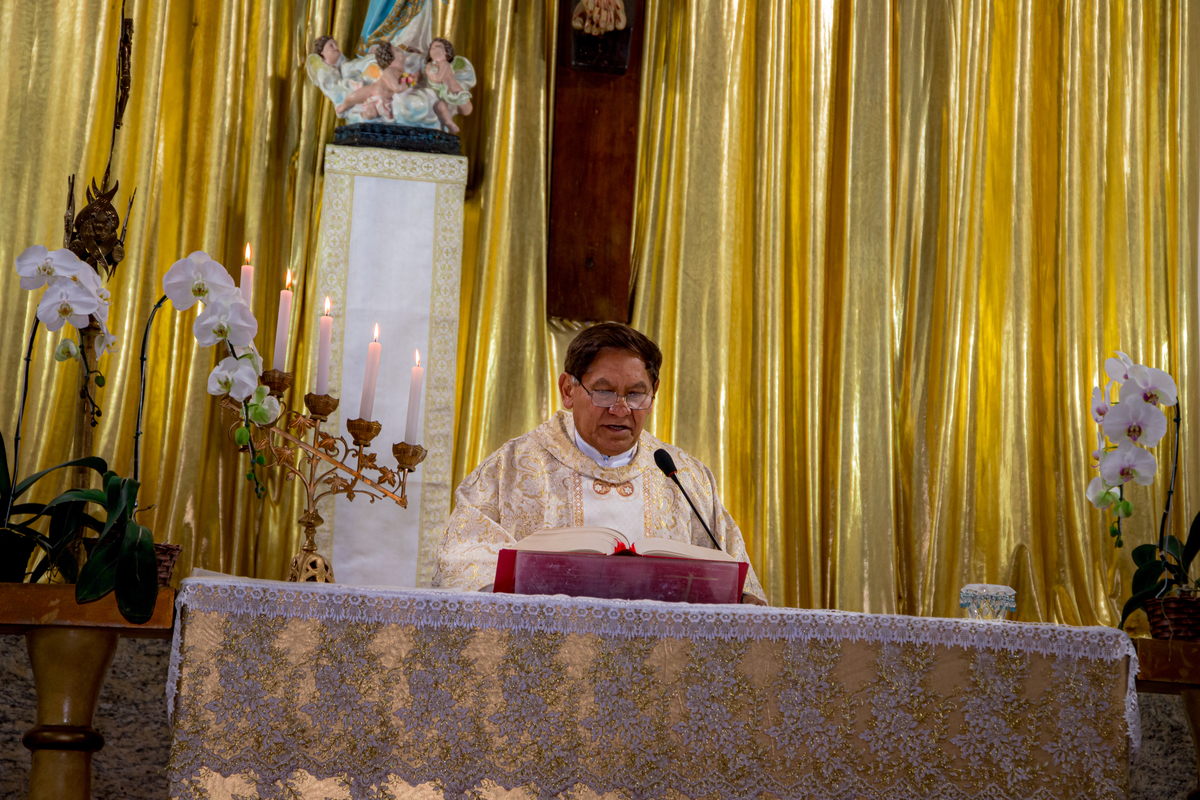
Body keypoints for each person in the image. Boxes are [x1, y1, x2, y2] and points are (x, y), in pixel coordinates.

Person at [434, 322, 767, 604]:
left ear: (654, 392)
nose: (621, 410)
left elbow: (742, 587)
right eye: (604, 392)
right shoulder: (510, 469)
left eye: (637, 395)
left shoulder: (685, 477)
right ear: (568, 389)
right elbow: (460, 566)